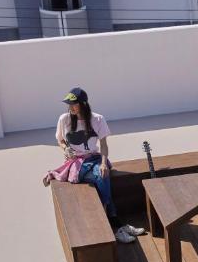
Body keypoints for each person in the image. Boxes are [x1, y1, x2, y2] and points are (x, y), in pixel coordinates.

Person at [44, 87, 144, 244]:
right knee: (100, 178)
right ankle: (117, 224)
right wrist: (66, 149)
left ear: (83, 104)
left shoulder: (97, 119)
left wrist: (104, 163)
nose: (70, 107)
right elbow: (60, 140)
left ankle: (116, 225)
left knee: (102, 174)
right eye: (69, 104)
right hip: (75, 163)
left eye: (74, 104)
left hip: (95, 159)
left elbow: (103, 144)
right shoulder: (64, 119)